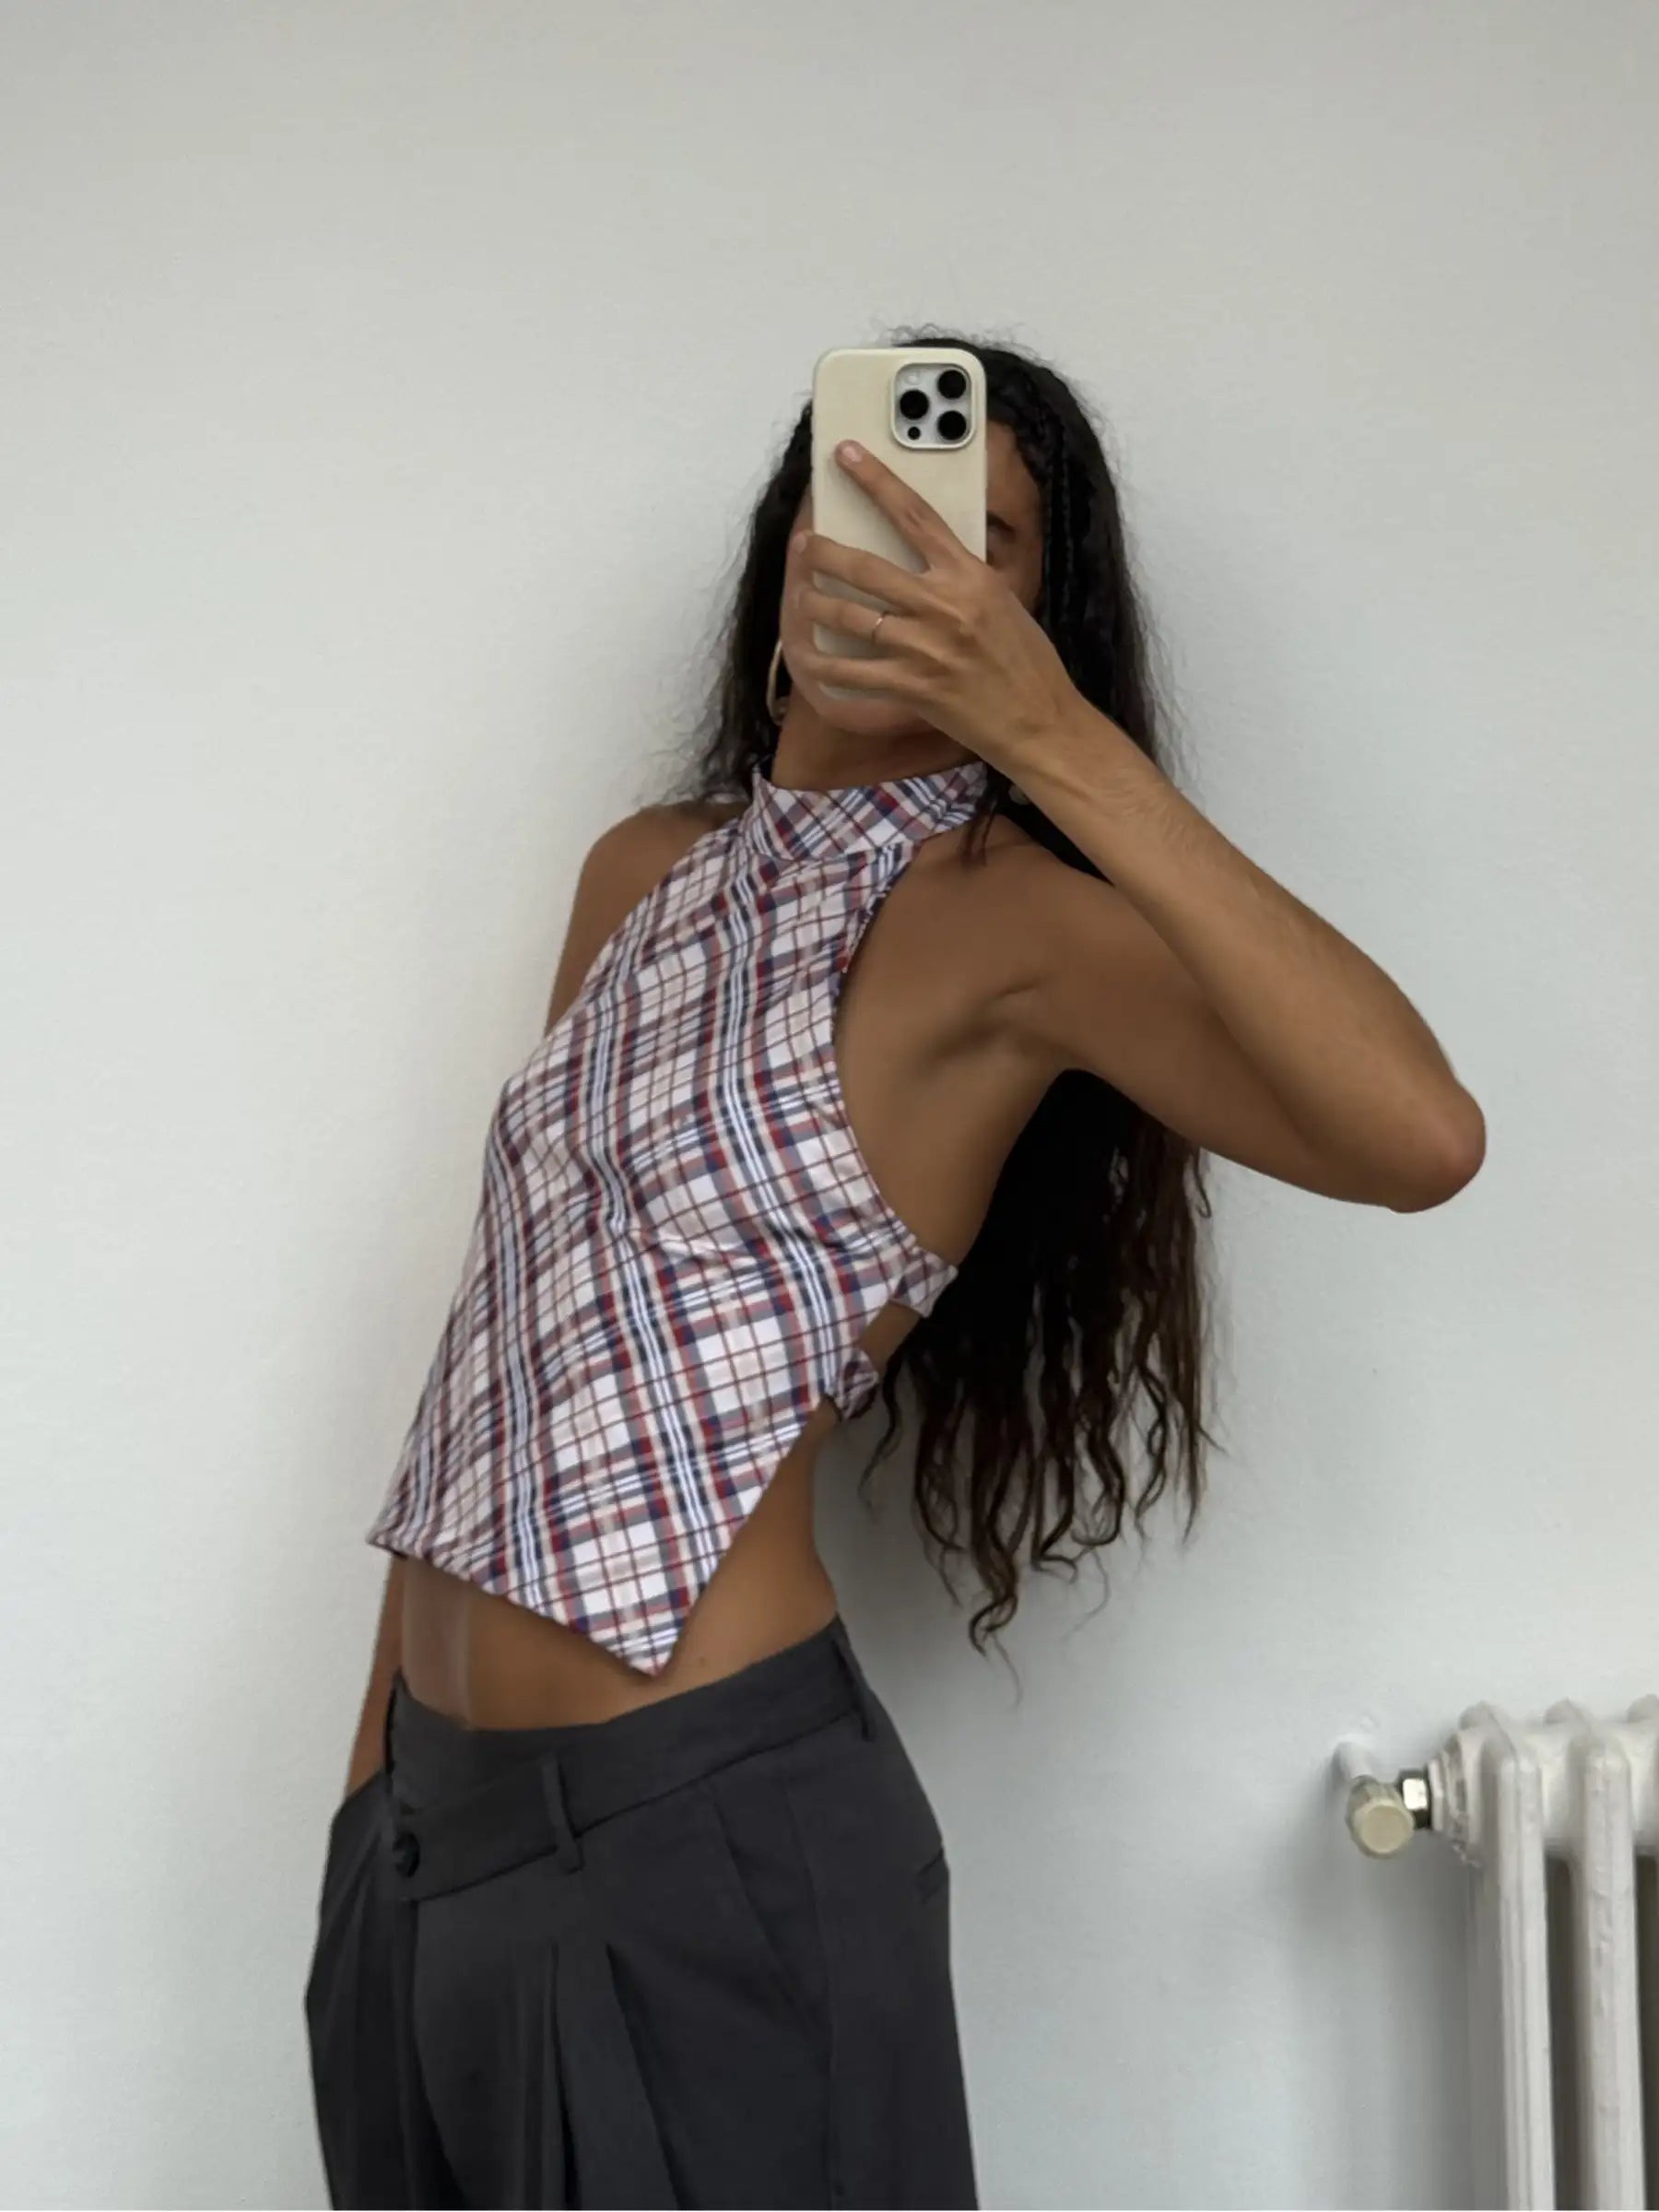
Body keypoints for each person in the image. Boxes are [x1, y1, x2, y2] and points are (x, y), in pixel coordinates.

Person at [301, 329, 1485, 2210]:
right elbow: (505, 1322)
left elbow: (1420, 1137)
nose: (896, 548)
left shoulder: (1005, 926)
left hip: (698, 1838)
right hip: (429, 1844)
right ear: (785, 546)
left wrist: (1055, 742)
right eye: (850, 497)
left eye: (978, 538)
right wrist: (372, 1780)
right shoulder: (639, 872)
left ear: (1037, 616)